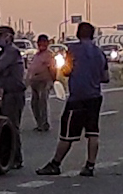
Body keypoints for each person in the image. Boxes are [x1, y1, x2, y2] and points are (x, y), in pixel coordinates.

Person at [37, 22, 110, 177]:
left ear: (78, 34)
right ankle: (90, 165)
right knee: (93, 132)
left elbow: (67, 70)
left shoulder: (74, 50)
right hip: (95, 96)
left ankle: (55, 164)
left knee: (67, 134)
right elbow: (106, 77)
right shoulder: (99, 53)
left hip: (77, 97)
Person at [0, 26, 26, 169]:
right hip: (3, 93)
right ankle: (7, 156)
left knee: (12, 125)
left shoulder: (12, 52)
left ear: (8, 37)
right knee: (3, 126)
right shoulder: (2, 53)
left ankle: (16, 158)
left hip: (13, 93)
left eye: (1, 36)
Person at [27, 34, 57, 132]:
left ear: (47, 43)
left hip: (44, 81)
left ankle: (44, 124)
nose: (42, 44)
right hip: (34, 82)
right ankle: (39, 123)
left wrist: (52, 81)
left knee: (42, 103)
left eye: (44, 42)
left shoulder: (49, 55)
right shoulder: (36, 55)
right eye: (40, 42)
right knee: (34, 104)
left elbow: (52, 69)